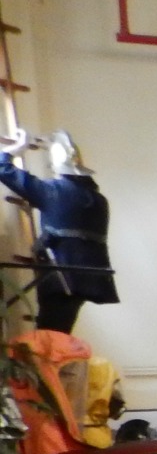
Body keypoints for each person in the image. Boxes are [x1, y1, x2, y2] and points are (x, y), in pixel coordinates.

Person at [0, 131, 119, 335]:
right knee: (60, 335)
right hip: (88, 281)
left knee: (49, 339)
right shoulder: (99, 201)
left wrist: (12, 151)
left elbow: (3, 170)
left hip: (59, 277)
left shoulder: (55, 191)